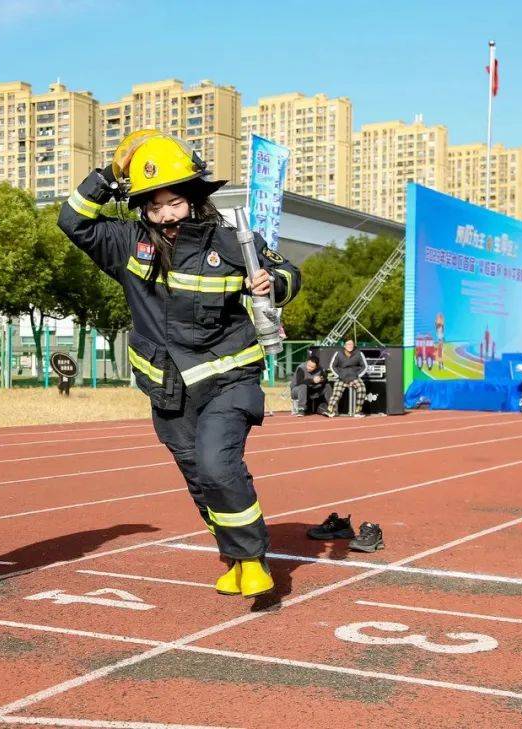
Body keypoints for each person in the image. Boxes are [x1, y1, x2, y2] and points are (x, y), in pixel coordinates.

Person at [58, 130, 301, 598]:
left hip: (228, 378)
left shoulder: (230, 242)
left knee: (217, 465)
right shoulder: (127, 243)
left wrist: (271, 285)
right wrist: (110, 174)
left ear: (193, 198)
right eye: (153, 206)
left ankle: (253, 559)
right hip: (167, 388)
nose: (165, 215)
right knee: (199, 480)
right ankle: (232, 556)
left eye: (174, 202)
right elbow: (74, 221)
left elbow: (290, 274)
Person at [325, 339, 368, 417]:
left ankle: (357, 411)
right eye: (348, 344)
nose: (350, 346)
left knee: (362, 389)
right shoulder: (338, 353)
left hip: (354, 377)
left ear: (354, 345)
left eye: (351, 344)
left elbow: (365, 366)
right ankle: (330, 410)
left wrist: (357, 375)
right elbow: (332, 366)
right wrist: (338, 376)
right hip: (341, 377)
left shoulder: (359, 353)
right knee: (336, 393)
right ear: (344, 346)